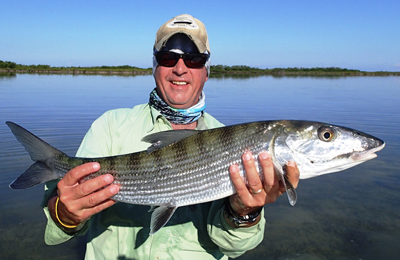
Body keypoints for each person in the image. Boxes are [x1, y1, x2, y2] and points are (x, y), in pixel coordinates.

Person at [42, 14, 300, 259]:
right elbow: (58, 223)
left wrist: (245, 211)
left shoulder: (234, 143)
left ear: (206, 71)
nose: (180, 69)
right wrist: (64, 213)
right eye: (168, 57)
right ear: (155, 67)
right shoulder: (110, 126)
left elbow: (235, 248)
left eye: (194, 60)